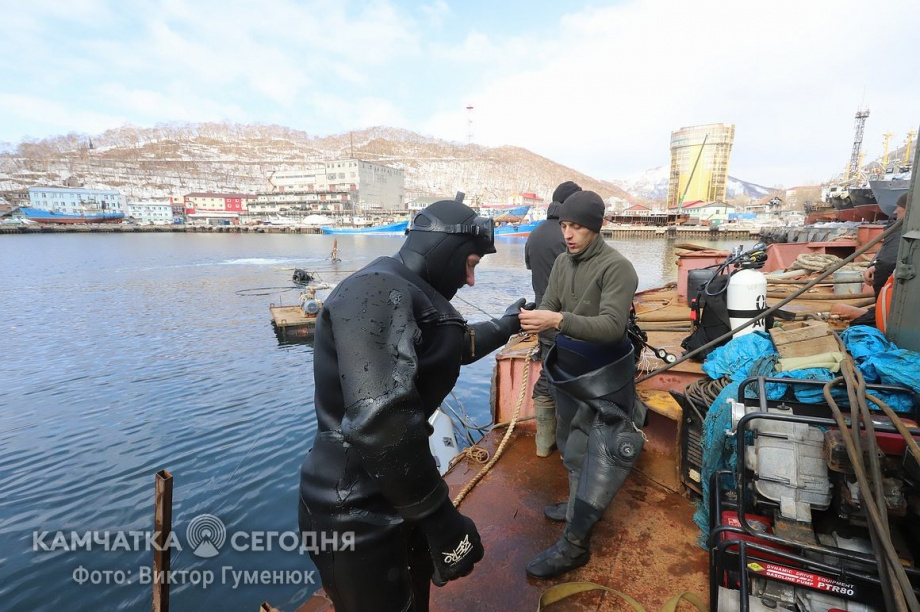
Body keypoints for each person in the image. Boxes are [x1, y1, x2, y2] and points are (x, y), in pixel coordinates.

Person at [298, 199, 530, 612]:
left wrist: (508, 323)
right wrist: (441, 520)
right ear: (446, 247)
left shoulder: (403, 289)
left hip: (396, 487)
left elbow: (446, 345)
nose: (472, 280)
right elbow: (380, 419)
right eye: (471, 263)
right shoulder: (372, 290)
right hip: (353, 508)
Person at [518, 190, 642, 579]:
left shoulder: (617, 268)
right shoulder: (561, 262)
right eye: (566, 226)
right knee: (572, 444)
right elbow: (551, 302)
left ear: (597, 228)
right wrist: (530, 317)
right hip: (570, 370)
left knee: (598, 453)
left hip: (605, 375)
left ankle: (576, 546)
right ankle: (574, 507)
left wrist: (555, 320)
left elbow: (610, 327)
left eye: (578, 228)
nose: (569, 234)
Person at [524, 180, 582, 457]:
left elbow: (532, 268)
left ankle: (544, 443)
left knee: (549, 371)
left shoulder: (534, 234)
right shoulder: (572, 235)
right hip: (569, 320)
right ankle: (567, 443)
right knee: (571, 376)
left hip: (542, 317)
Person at [864, 193, 907, 297]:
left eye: (898, 207)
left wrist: (879, 298)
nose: (895, 211)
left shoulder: (901, 230)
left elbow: (886, 263)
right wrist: (874, 264)